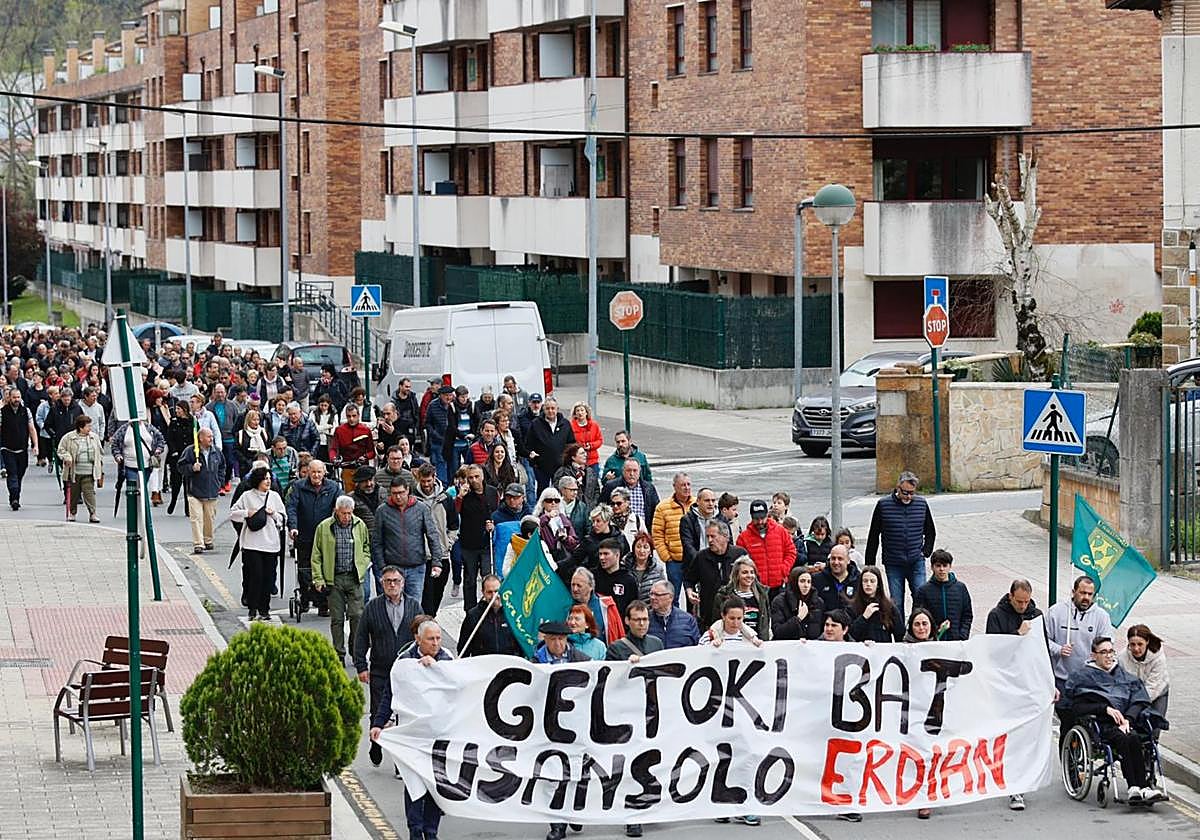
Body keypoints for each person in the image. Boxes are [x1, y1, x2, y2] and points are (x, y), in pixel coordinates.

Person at [369, 619, 453, 839]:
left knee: (435, 785)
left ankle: (431, 830)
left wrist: (437, 669)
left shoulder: (448, 659)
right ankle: (415, 829)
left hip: (439, 738)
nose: (435, 644)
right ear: (419, 639)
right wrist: (379, 723)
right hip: (413, 737)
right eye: (430, 639)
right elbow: (390, 693)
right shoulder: (404, 662)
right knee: (414, 784)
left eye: (438, 638)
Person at [1058, 636, 1167, 805]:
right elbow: (1077, 707)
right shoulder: (1083, 676)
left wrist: (1128, 719)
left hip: (1126, 722)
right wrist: (1105, 709)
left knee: (1134, 736)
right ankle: (1135, 787)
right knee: (1126, 737)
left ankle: (1143, 788)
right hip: (1100, 725)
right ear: (1094, 655)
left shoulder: (1123, 675)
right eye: (1103, 652)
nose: (1109, 656)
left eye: (1111, 651)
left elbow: (1139, 700)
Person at [701, 598, 762, 827]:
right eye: (732, 618)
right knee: (721, 755)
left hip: (742, 705)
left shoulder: (749, 638)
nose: (736, 623)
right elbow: (698, 663)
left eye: (740, 618)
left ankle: (745, 805)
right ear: (723, 616)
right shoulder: (710, 637)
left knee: (745, 753)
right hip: (716, 704)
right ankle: (721, 803)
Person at [355, 564, 421, 766]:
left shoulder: (413, 606)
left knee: (404, 716)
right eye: (388, 581)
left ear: (403, 583)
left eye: (396, 581)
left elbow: (423, 633)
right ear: (382, 584)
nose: (392, 585)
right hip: (380, 669)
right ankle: (376, 744)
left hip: (407, 671)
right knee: (378, 711)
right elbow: (360, 637)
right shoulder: (372, 607)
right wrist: (361, 666)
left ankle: (400, 761)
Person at [865, 470, 936, 616]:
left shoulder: (921, 504)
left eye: (912, 493)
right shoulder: (883, 505)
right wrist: (870, 564)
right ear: (898, 487)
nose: (908, 496)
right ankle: (899, 633)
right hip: (893, 562)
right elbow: (873, 535)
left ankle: (917, 629)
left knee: (920, 596)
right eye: (905, 492)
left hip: (916, 560)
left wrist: (925, 552)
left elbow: (930, 531)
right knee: (896, 602)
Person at [311, 495, 372, 663]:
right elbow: (316, 555)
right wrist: (319, 579)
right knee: (337, 618)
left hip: (354, 577)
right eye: (343, 513)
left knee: (357, 616)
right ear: (336, 511)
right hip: (334, 579)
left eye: (349, 513)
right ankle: (339, 652)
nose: (347, 517)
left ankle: (355, 649)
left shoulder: (360, 525)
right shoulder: (324, 527)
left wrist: (364, 562)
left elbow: (367, 547)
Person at [372, 478, 446, 604]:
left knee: (414, 605)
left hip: (416, 567)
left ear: (408, 491)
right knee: (391, 605)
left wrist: (436, 562)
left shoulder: (421, 508)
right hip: (392, 567)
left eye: (401, 492)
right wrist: (381, 566)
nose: (398, 497)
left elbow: (432, 535)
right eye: (394, 493)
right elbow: (377, 541)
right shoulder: (382, 511)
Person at [228, 466, 287, 621]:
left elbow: (283, 518)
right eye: (265, 478)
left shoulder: (274, 497)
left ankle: (264, 609)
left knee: (268, 578)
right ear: (258, 480)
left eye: (269, 478)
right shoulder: (247, 496)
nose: (268, 481)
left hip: (271, 544)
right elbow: (233, 514)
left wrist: (273, 514)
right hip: (251, 544)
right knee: (255, 576)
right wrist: (247, 513)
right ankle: (252, 608)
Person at [286, 459, 342, 616]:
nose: (316, 475)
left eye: (319, 472)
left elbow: (340, 505)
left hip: (326, 537)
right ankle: (305, 598)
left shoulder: (333, 487)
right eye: (313, 472)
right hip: (304, 535)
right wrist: (293, 527)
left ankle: (323, 602)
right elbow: (291, 508)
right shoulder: (298, 487)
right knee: (304, 568)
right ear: (308, 472)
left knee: (325, 569)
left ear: (324, 472)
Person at [1044, 575, 1113, 692]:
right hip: (1059, 679)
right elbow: (1043, 640)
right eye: (1082, 593)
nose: (1086, 597)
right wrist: (1058, 649)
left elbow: (1107, 646)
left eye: (1090, 594)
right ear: (1073, 592)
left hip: (1088, 680)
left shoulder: (1102, 617)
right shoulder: (1055, 612)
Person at [685, 519, 748, 627]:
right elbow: (689, 579)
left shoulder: (739, 554)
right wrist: (690, 592)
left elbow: (752, 578)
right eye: (708, 536)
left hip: (736, 613)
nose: (709, 540)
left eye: (713, 536)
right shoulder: (701, 557)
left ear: (725, 537)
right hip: (709, 613)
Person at [734, 498, 796, 598]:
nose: (760, 522)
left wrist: (783, 570)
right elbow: (740, 562)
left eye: (762, 518)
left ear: (767, 515)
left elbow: (791, 551)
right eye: (756, 519)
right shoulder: (744, 537)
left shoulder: (780, 531)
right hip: (755, 586)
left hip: (778, 585)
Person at [456, 464, 498, 610]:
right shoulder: (464, 494)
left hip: (487, 543)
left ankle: (488, 606)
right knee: (470, 580)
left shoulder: (492, 492)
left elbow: (497, 513)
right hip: (469, 544)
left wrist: (493, 526)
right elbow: (454, 514)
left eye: (476, 477)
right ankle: (470, 610)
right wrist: (460, 497)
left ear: (482, 476)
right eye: (471, 477)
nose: (474, 480)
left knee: (488, 577)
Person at [179, 427, 225, 554]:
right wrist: (191, 468)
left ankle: (208, 539)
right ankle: (198, 543)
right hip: (195, 491)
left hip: (211, 491)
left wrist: (219, 482)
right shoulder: (190, 451)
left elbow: (222, 467)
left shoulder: (217, 452)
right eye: (209, 436)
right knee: (196, 518)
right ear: (200, 438)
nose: (211, 439)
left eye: (212, 436)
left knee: (209, 518)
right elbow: (180, 466)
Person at [912, 549, 974, 640]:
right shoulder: (924, 590)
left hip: (956, 640)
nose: (941, 569)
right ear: (932, 567)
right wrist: (934, 632)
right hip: (933, 640)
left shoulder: (960, 588)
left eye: (945, 566)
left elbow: (967, 615)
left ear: (950, 567)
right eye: (938, 566)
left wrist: (963, 635)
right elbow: (918, 615)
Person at [651, 472, 695, 597]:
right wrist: (666, 556)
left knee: (694, 596)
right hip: (674, 561)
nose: (686, 487)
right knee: (672, 596)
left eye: (688, 484)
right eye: (683, 485)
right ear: (674, 486)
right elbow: (657, 534)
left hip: (694, 559)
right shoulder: (663, 507)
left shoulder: (696, 505)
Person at [458, 575, 521, 658]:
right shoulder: (473, 616)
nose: (494, 596)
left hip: (509, 666)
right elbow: (463, 649)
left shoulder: (513, 613)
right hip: (483, 666)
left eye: (497, 591)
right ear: (483, 592)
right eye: (489, 592)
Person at [56, 413, 103, 522]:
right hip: (74, 471)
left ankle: (93, 513)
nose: (90, 428)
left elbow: (100, 452)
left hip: (89, 471)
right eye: (88, 426)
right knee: (74, 494)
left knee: (89, 493)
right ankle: (72, 513)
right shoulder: (69, 438)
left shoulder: (94, 437)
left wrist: (99, 465)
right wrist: (67, 457)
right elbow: (61, 450)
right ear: (80, 427)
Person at [715, 557, 771, 641]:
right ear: (736, 575)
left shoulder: (762, 595)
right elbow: (717, 623)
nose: (749, 576)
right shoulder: (723, 596)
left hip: (757, 643)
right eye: (745, 572)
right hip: (732, 643)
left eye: (752, 572)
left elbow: (766, 622)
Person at [526, 396, 574, 494]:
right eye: (547, 408)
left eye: (553, 408)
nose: (550, 411)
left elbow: (571, 444)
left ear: (557, 409)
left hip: (561, 466)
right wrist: (532, 457)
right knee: (543, 492)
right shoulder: (536, 424)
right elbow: (529, 444)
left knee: (560, 492)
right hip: (542, 466)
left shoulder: (565, 424)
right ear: (543, 409)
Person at [1120, 625, 1169, 719]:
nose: (1136, 648)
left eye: (1140, 644)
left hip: (1157, 691)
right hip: (1134, 694)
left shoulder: (1158, 658)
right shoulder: (1122, 657)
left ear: (1147, 642)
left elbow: (1152, 687)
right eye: (1132, 644)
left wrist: (1137, 705)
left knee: (1155, 723)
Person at [0, 386, 37, 510]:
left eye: (18, 397)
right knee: (12, 473)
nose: (16, 399)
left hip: (22, 449)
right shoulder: (2, 411)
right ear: (9, 398)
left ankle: (15, 496)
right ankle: (14, 499)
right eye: (14, 397)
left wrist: (35, 445)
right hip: (7, 448)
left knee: (19, 474)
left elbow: (31, 428)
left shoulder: (26, 411)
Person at [848, 566, 903, 643]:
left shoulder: (889, 607)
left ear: (878, 584)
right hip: (860, 652)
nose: (868, 584)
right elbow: (849, 635)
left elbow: (900, 635)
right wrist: (864, 618)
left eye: (872, 581)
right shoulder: (852, 607)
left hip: (883, 652)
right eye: (865, 581)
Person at [352, 466, 382, 602]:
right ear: (358, 483)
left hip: (383, 546)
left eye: (370, 480)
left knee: (383, 585)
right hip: (362, 548)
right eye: (364, 481)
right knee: (364, 590)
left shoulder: (384, 494)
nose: (369, 484)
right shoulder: (351, 499)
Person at [770, 567, 825, 641]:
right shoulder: (780, 601)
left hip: (811, 648)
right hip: (787, 647)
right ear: (794, 582)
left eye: (809, 582)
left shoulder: (818, 602)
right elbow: (778, 632)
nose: (806, 585)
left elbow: (821, 630)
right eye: (802, 581)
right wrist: (798, 619)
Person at [330, 404, 375, 490]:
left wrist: (365, 457)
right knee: (348, 494)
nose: (351, 419)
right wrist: (334, 459)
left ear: (358, 415)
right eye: (349, 416)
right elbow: (333, 448)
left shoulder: (366, 430)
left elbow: (372, 452)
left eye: (354, 416)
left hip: (362, 468)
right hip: (347, 468)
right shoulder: (339, 430)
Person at [538, 487, 580, 577]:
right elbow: (537, 528)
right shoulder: (538, 518)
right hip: (545, 559)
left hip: (563, 560)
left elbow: (575, 542)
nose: (553, 503)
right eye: (549, 500)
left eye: (556, 500)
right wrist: (547, 517)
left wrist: (566, 538)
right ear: (543, 503)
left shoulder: (564, 519)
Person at [647, 581, 700, 649]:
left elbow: (697, 645)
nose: (653, 597)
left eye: (657, 595)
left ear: (670, 597)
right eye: (651, 594)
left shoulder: (688, 620)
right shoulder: (645, 619)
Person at [593, 538, 638, 617]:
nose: (602, 557)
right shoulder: (592, 576)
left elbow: (632, 608)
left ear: (617, 555)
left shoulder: (628, 580)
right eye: (600, 554)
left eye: (606, 554)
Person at [680, 487, 719, 575]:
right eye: (707, 501)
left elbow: (728, 542)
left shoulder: (721, 518)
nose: (711, 504)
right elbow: (688, 545)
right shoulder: (687, 520)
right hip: (694, 565)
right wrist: (702, 561)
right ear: (698, 501)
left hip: (717, 565)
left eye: (713, 501)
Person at [812, 543, 860, 612]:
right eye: (833, 558)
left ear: (848, 560)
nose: (836, 562)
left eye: (840, 559)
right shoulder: (817, 580)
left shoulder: (858, 580)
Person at [552, 443, 599, 511]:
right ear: (573, 457)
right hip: (569, 509)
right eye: (582, 453)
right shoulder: (563, 472)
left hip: (589, 509)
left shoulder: (590, 471)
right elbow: (559, 490)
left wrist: (593, 504)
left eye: (585, 453)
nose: (585, 455)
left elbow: (596, 490)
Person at [624, 532, 666, 602]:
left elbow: (662, 592)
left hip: (650, 609)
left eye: (645, 547)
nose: (642, 550)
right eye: (638, 546)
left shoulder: (658, 570)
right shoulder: (624, 567)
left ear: (650, 551)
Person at [569, 401, 602, 481]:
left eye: (582, 410)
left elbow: (599, 440)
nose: (580, 413)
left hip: (592, 460)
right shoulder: (571, 426)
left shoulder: (594, 425)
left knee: (593, 482)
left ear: (586, 412)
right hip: (578, 460)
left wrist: (591, 445)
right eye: (577, 411)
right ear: (575, 413)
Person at [309, 393, 339, 461]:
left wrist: (321, 428)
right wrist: (327, 427)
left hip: (329, 443)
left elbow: (333, 431)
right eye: (321, 405)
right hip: (317, 442)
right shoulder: (313, 413)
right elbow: (313, 429)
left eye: (325, 405)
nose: (323, 407)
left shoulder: (333, 414)